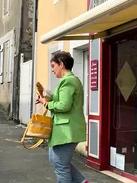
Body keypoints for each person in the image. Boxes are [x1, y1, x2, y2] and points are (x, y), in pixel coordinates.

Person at [38, 51, 88, 183]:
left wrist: (47, 104)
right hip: (64, 130)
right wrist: (47, 98)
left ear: (61, 64)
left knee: (60, 165)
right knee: (56, 161)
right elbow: (61, 99)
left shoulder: (68, 81)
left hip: (67, 130)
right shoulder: (68, 81)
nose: (52, 70)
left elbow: (64, 105)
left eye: (53, 66)